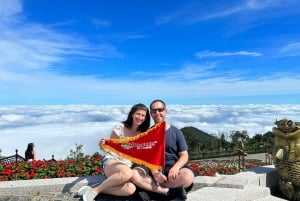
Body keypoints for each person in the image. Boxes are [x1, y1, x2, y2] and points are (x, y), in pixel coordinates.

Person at [79, 103, 151, 201]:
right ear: (132, 114)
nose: (140, 117)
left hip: (126, 165)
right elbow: (109, 148)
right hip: (112, 161)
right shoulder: (121, 128)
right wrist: (102, 145)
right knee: (127, 173)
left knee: (130, 189)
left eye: (143, 115)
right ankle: (94, 192)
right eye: (138, 114)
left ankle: (97, 188)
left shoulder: (142, 134)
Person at [131, 99, 195, 201]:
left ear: (165, 111)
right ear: (151, 113)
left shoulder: (176, 132)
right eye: (154, 111)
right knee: (134, 174)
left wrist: (176, 168)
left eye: (160, 110)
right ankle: (168, 191)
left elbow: (184, 155)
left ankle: (152, 190)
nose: (157, 113)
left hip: (171, 168)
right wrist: (155, 173)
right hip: (153, 169)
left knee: (188, 176)